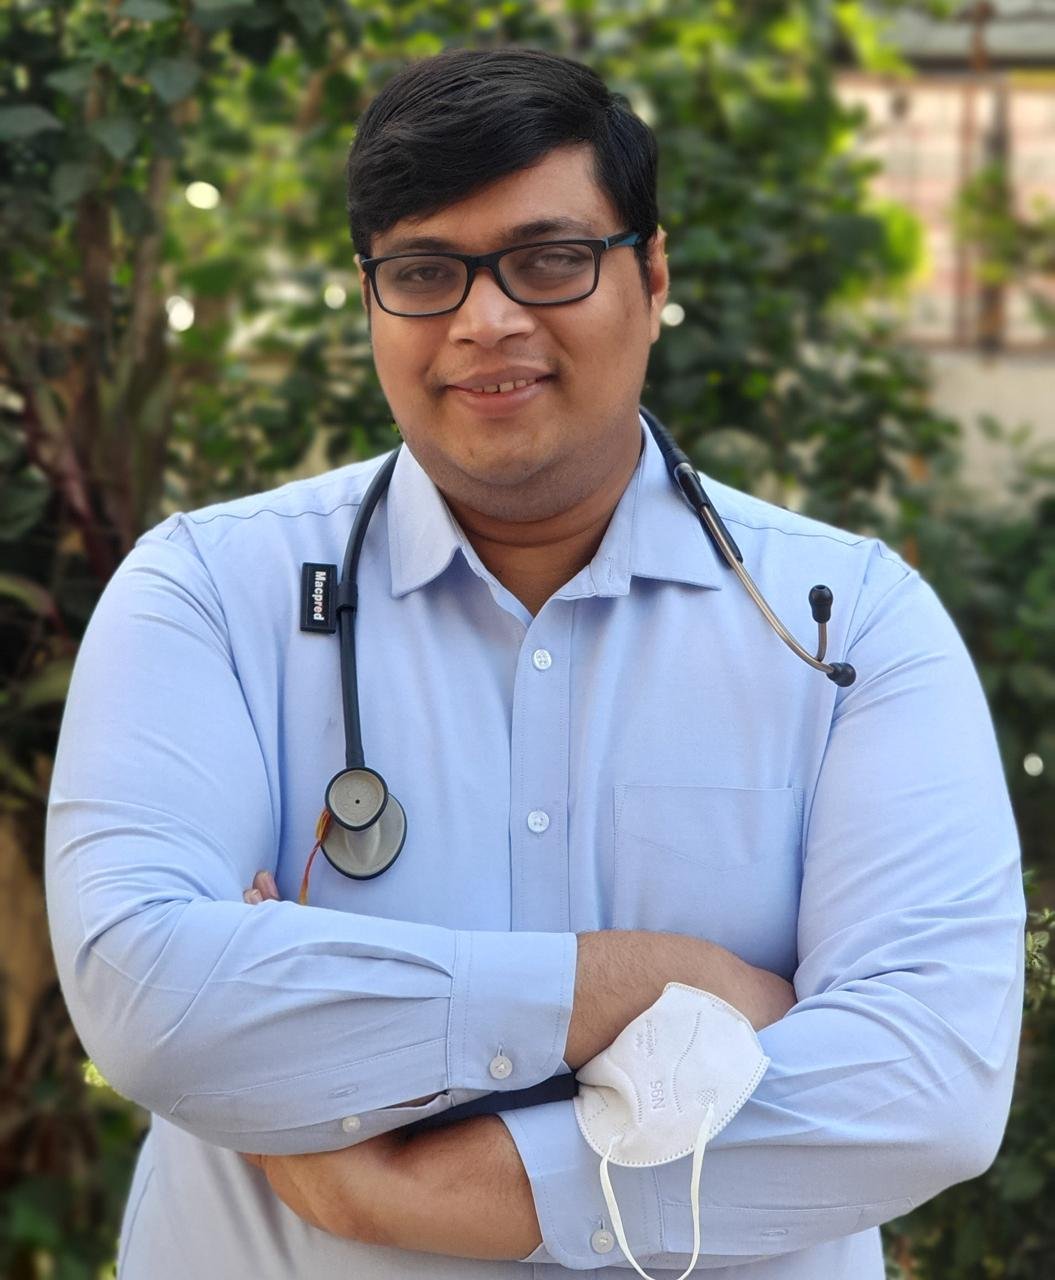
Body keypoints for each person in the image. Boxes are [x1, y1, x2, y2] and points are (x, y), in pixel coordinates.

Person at [45, 46, 1024, 1280]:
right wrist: (644, 983)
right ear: (369, 300)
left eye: (550, 259)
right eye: (422, 272)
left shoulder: (845, 626)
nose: (485, 318)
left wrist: (427, 1190)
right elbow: (151, 999)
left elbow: (924, 1082)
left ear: (651, 272)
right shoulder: (208, 598)